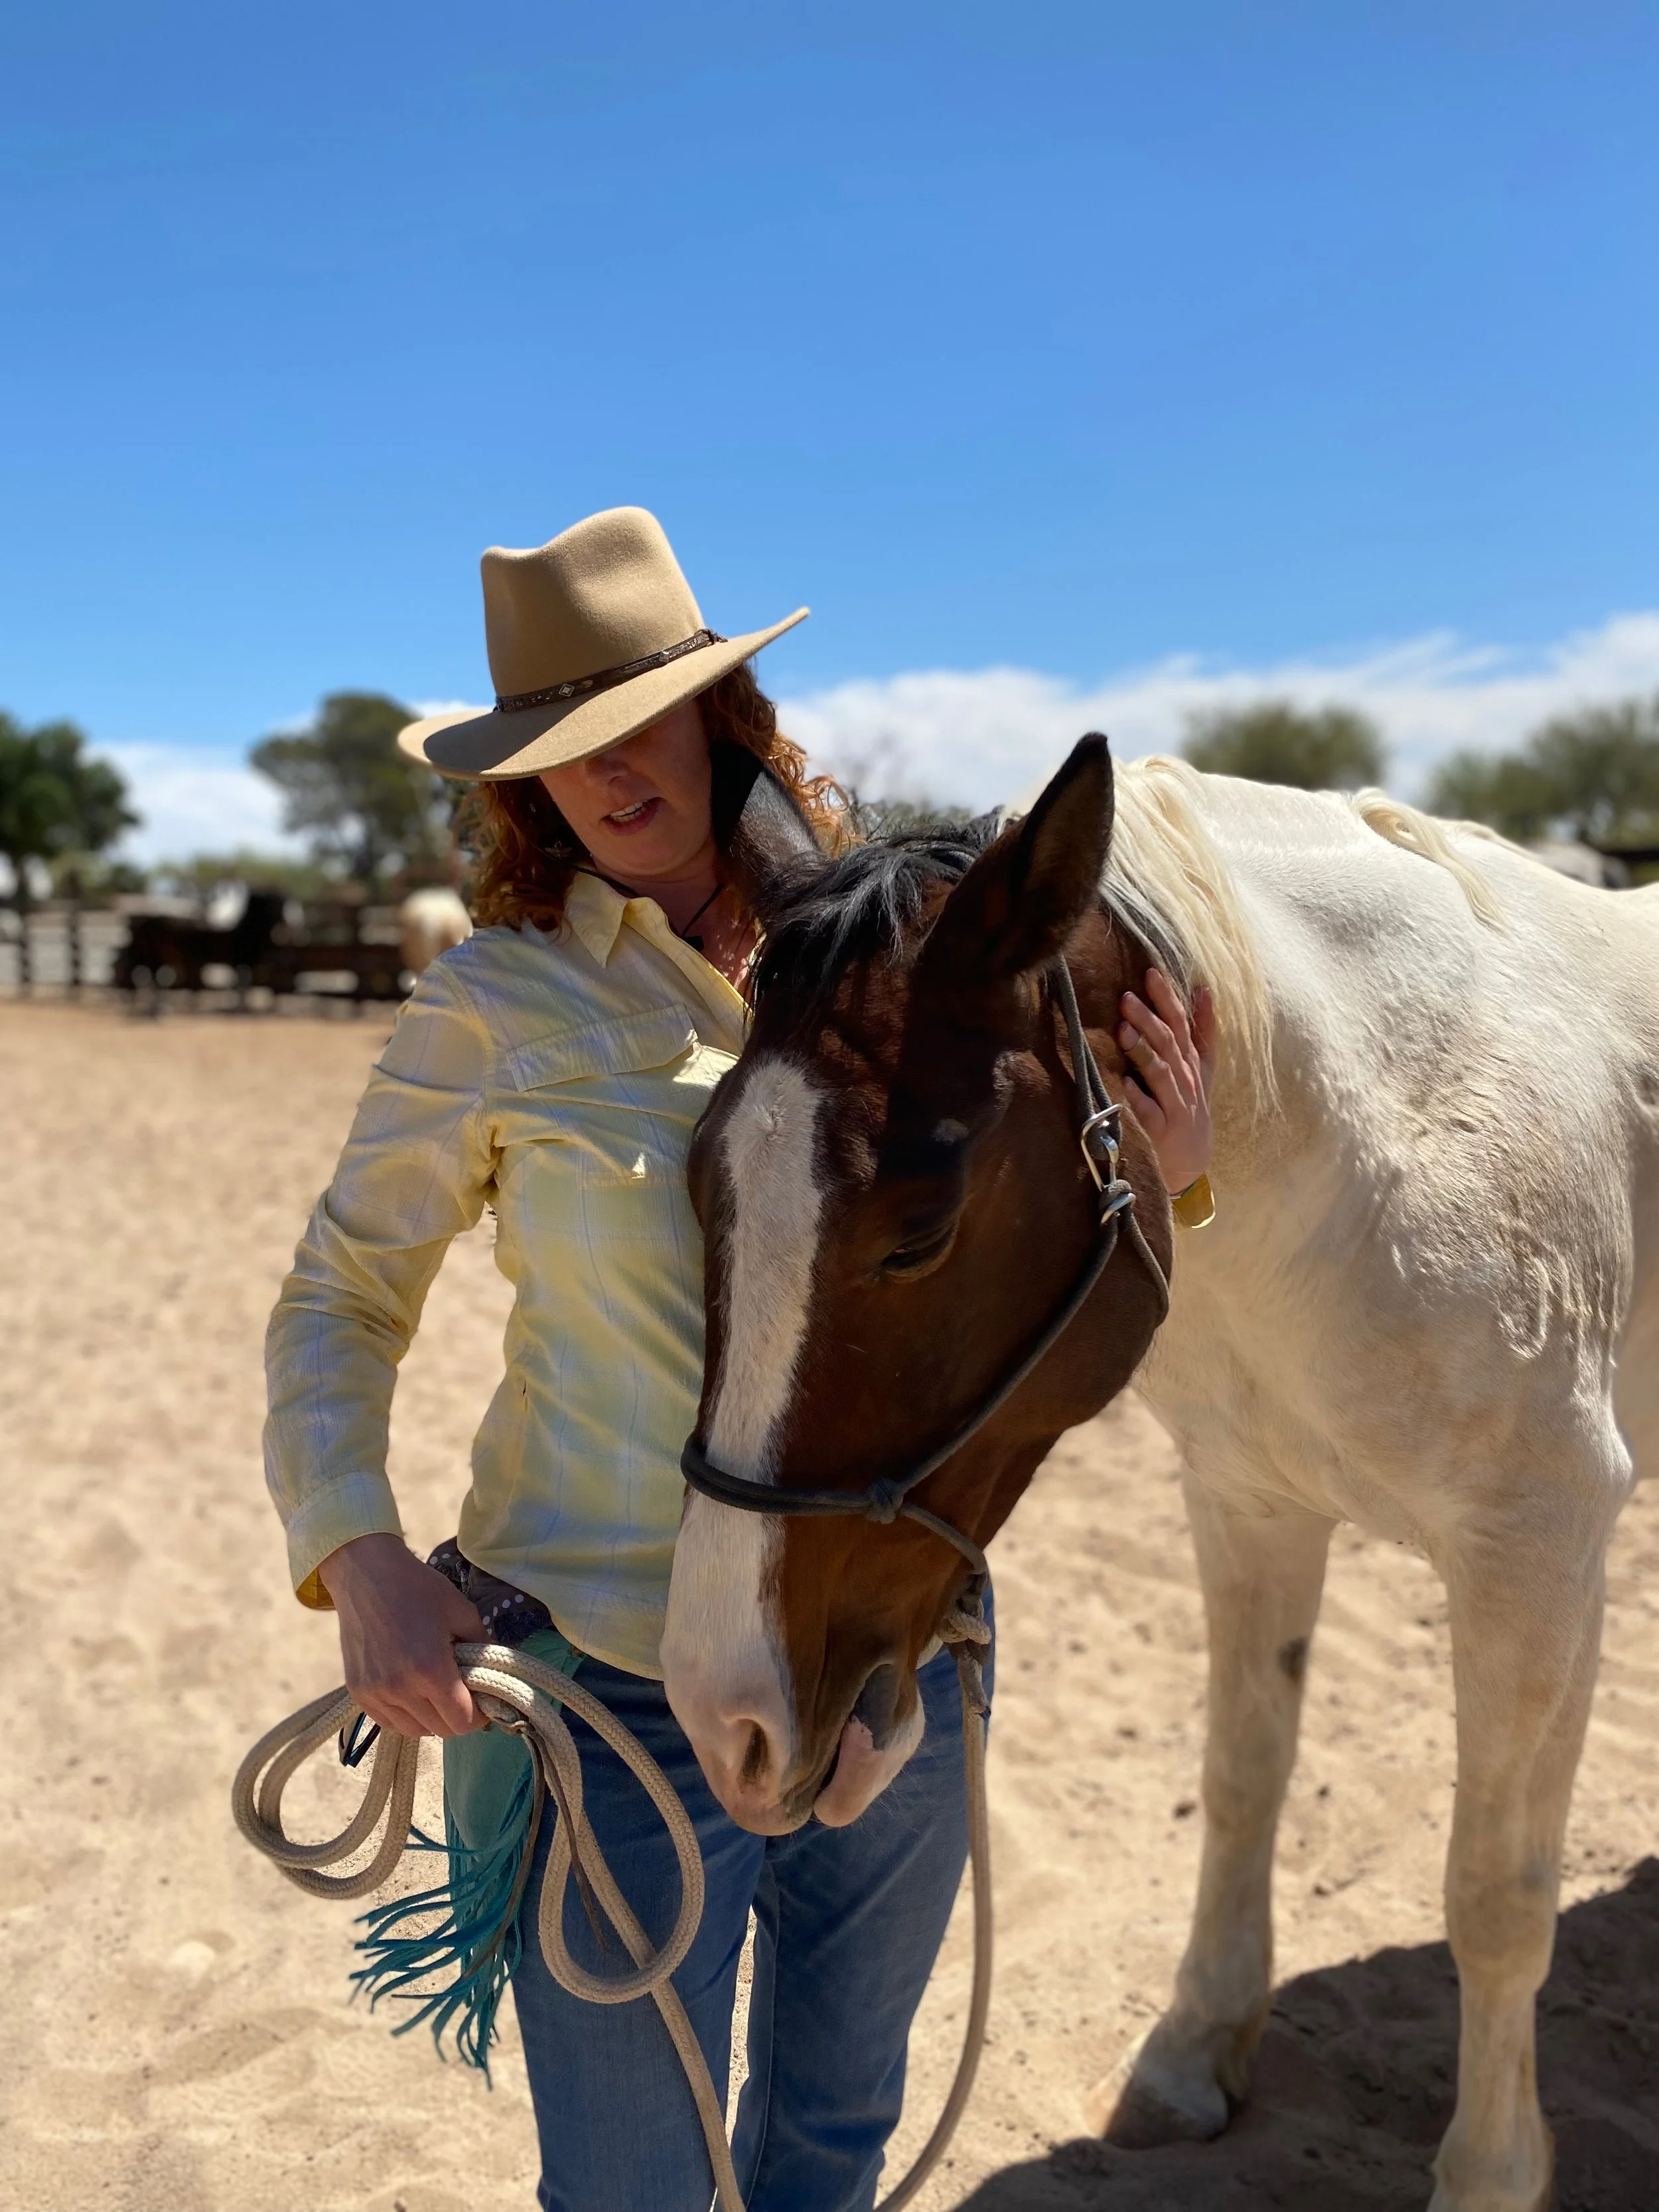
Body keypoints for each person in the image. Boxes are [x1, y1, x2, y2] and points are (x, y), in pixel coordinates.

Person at [262, 507, 1214, 2212]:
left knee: (828, 2152)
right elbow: (341, 1294)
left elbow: (1004, 1258)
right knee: (631, 2188)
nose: (611, 776)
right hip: (607, 1676)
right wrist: (360, 1553)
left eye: (637, 721)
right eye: (561, 753)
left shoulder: (895, 960)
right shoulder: (496, 1007)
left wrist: (1179, 1170)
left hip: (891, 1652)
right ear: (521, 790)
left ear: (719, 714)